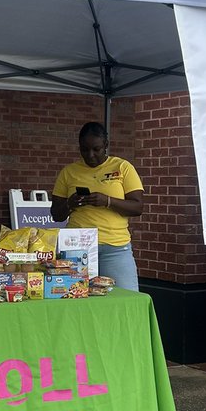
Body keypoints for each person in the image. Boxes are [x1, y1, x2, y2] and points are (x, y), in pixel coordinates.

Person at [51, 122, 144, 292]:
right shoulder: (68, 172)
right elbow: (56, 215)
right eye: (84, 150)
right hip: (77, 247)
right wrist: (70, 204)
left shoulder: (122, 167)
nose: (90, 155)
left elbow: (137, 207)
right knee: (74, 296)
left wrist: (107, 201)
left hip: (115, 248)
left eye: (96, 149)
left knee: (126, 298)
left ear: (106, 145)